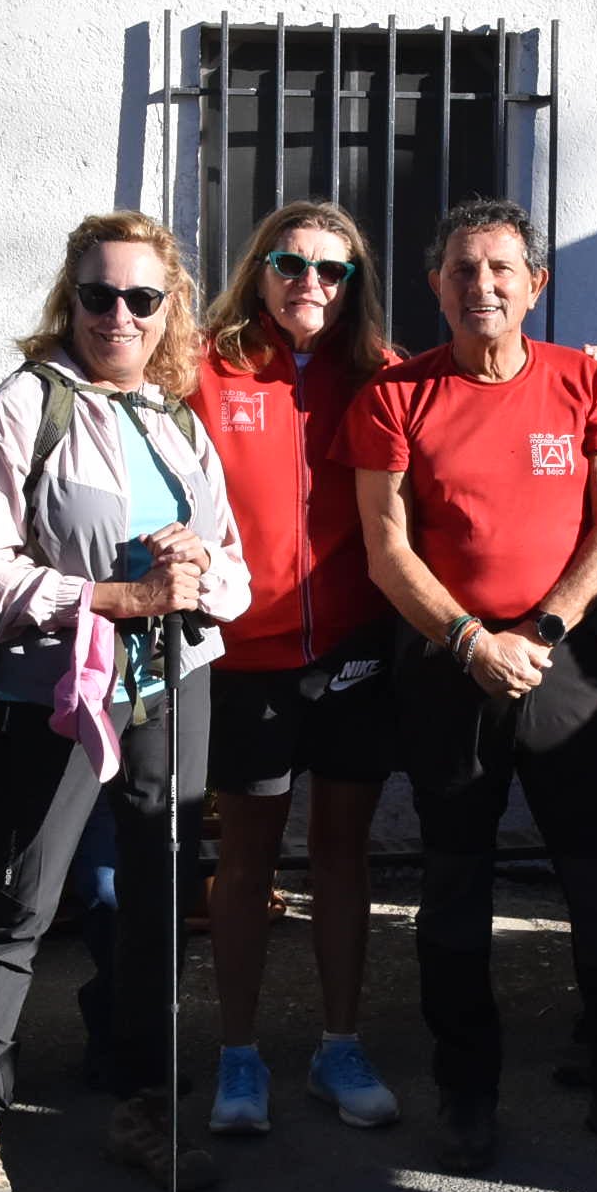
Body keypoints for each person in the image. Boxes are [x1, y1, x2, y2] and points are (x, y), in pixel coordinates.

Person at [347, 198, 597, 1172]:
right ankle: (466, 1095)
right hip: (448, 668)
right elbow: (383, 544)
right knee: (454, 888)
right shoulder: (395, 395)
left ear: (535, 284)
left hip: (562, 666)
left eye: (500, 268)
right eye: (461, 268)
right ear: (434, 283)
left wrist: (538, 631)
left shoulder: (583, 383)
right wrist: (466, 638)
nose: (480, 285)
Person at [0, 211, 250, 1192]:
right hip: (59, 690)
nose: (115, 314)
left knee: (161, 900)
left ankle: (145, 1102)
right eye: (95, 295)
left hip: (172, 678)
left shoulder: (177, 417)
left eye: (139, 298)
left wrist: (195, 570)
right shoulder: (24, 406)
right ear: (67, 299)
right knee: (22, 902)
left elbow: (234, 570)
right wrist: (112, 596)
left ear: (171, 311)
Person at [188, 202, 404, 1136]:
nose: (309, 283)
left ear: (355, 284)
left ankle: (339, 1043)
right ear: (259, 269)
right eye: (290, 263)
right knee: (244, 859)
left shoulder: (386, 376)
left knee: (342, 852)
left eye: (332, 269)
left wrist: (596, 369)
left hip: (354, 650)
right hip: (246, 654)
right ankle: (239, 1056)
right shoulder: (202, 367)